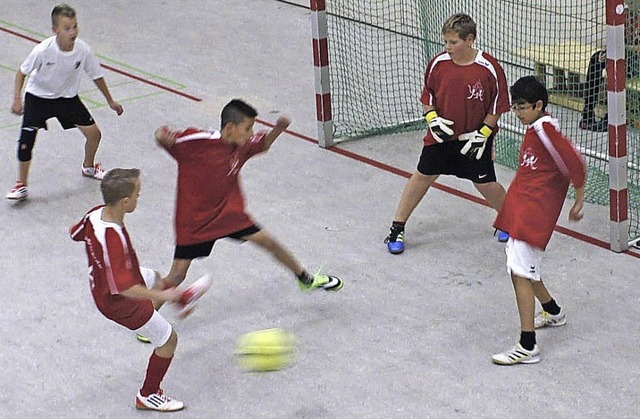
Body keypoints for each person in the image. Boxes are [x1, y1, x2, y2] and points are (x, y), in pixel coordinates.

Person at [154, 99, 343, 299]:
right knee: (177, 275)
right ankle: (148, 322)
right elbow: (164, 136)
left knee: (268, 242)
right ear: (230, 127)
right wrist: (162, 134)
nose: (251, 133)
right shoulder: (198, 142)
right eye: (247, 128)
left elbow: (264, 143)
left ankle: (306, 280)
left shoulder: (241, 146)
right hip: (194, 223)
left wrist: (279, 128)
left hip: (228, 216)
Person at [70, 168, 211, 411]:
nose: (138, 198)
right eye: (137, 194)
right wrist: (162, 295)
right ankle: (148, 394)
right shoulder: (113, 239)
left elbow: (75, 233)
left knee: (154, 277)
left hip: (105, 281)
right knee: (168, 340)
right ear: (125, 202)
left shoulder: (95, 215)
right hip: (118, 303)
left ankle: (179, 300)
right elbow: (124, 287)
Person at [384, 13, 511, 254]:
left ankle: (510, 221)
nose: (448, 47)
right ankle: (397, 227)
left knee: (485, 183)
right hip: (441, 137)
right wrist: (432, 119)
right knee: (422, 176)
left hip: (475, 139)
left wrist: (483, 134)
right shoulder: (438, 63)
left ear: (470, 39)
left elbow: (497, 107)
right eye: (446, 42)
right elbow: (428, 97)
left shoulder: (490, 69)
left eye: (454, 42)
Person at [491, 76, 587, 366]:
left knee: (519, 274)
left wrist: (579, 198)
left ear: (538, 105)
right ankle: (553, 311)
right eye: (515, 107)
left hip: (534, 215)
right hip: (521, 209)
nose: (517, 113)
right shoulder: (536, 127)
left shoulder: (545, 130)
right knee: (523, 268)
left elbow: (576, 162)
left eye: (522, 108)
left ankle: (527, 345)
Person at [6, 3, 124, 201]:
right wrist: (17, 99)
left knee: (94, 135)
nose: (73, 32)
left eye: (75, 26)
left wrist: (110, 100)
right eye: (67, 28)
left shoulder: (83, 50)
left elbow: (96, 75)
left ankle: (88, 167)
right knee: (26, 144)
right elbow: (21, 73)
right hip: (38, 98)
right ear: (55, 30)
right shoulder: (43, 50)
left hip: (67, 99)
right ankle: (22, 185)